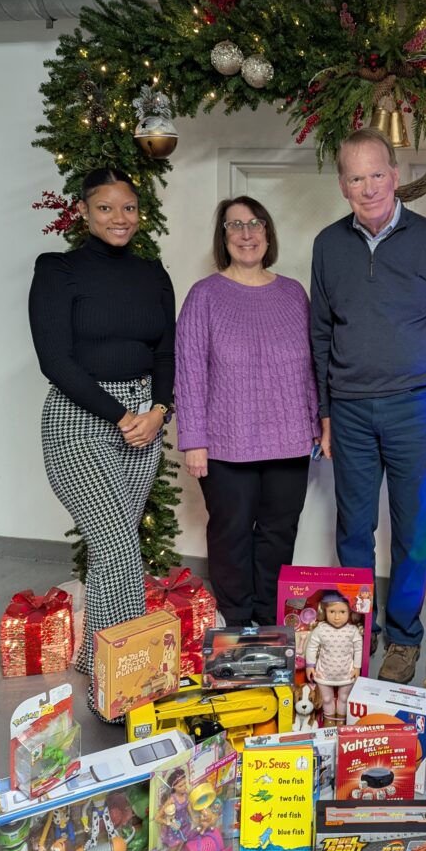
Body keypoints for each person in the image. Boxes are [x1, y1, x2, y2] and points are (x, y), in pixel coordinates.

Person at [311, 129, 426, 684]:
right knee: (353, 528)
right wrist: (325, 416)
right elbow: (321, 336)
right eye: (356, 177)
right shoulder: (328, 245)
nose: (368, 186)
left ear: (396, 175)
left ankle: (403, 636)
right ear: (342, 185)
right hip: (350, 411)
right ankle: (355, 628)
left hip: (415, 408)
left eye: (377, 173)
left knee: (412, 531)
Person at [29, 168, 175, 722]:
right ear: (85, 212)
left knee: (112, 547)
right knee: (117, 547)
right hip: (80, 419)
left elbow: (166, 352)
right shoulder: (58, 270)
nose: (120, 218)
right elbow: (55, 359)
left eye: (130, 208)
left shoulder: (152, 274)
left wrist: (157, 412)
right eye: (107, 208)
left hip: (144, 418)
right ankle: (129, 683)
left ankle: (99, 659)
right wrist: (120, 415)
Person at [175, 196, 320, 626]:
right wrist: (194, 440)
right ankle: (237, 623)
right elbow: (189, 372)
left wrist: (314, 425)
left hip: (290, 440)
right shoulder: (204, 296)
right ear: (223, 238)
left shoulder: (293, 294)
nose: (245, 233)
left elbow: (310, 367)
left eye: (254, 223)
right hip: (224, 444)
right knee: (231, 536)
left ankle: (268, 620)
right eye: (234, 225)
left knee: (279, 534)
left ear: (268, 232)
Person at [304, 592, 363, 725]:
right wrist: (310, 666)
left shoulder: (352, 630)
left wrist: (357, 667)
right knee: (326, 698)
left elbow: (358, 649)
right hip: (324, 674)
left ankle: (341, 720)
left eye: (342, 611)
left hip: (346, 674)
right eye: (332, 611)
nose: (337, 617)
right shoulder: (320, 629)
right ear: (324, 610)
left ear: (350, 612)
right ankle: (329, 720)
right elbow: (312, 647)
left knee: (344, 697)